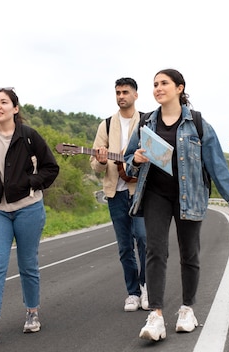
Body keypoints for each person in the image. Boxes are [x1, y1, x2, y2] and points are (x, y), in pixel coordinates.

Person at [123, 68, 229, 341]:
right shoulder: (146, 125)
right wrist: (137, 160)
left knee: (189, 253)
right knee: (155, 251)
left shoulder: (198, 125)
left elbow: (216, 165)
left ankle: (187, 309)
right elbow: (129, 159)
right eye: (154, 84)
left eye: (164, 83)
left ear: (179, 88)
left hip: (190, 195)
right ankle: (156, 315)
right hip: (155, 194)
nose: (158, 88)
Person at [0, 87, 59, 344]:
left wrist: (31, 182)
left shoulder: (29, 136)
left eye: (4, 102)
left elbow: (51, 167)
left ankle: (32, 313)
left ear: (15, 109)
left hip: (28, 208)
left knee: (28, 264)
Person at [90, 77, 148, 312]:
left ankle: (147, 288)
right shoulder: (105, 125)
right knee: (125, 246)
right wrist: (102, 161)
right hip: (115, 193)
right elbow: (95, 165)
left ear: (135, 95)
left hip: (141, 191)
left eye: (125, 92)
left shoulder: (147, 122)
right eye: (117, 92)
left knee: (144, 239)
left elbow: (158, 153)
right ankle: (132, 293)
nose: (121, 96)